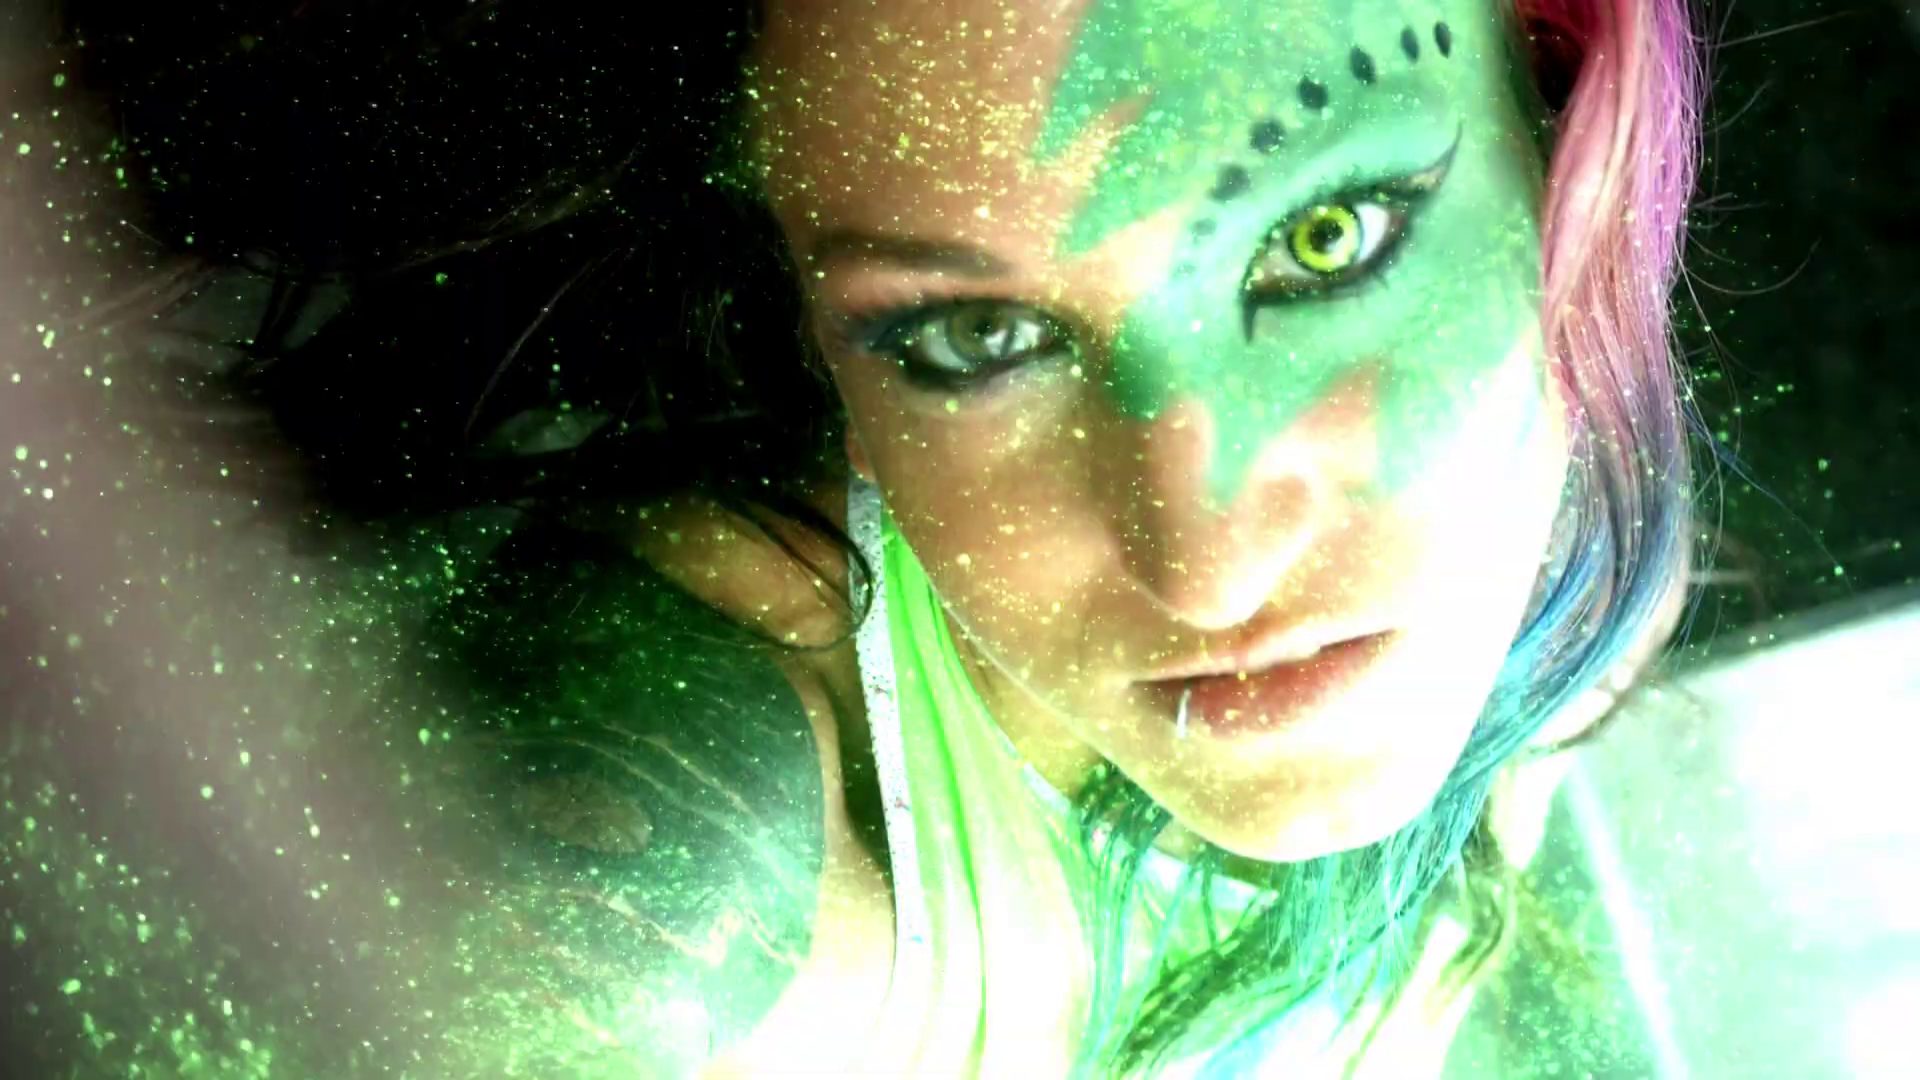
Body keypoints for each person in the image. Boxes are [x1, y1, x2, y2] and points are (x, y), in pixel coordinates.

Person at [0, 0, 1701, 1076]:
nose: (1210, 566)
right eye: (974, 339)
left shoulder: (1590, 556)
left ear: (1561, 141)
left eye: (1326, 242)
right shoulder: (691, 869)